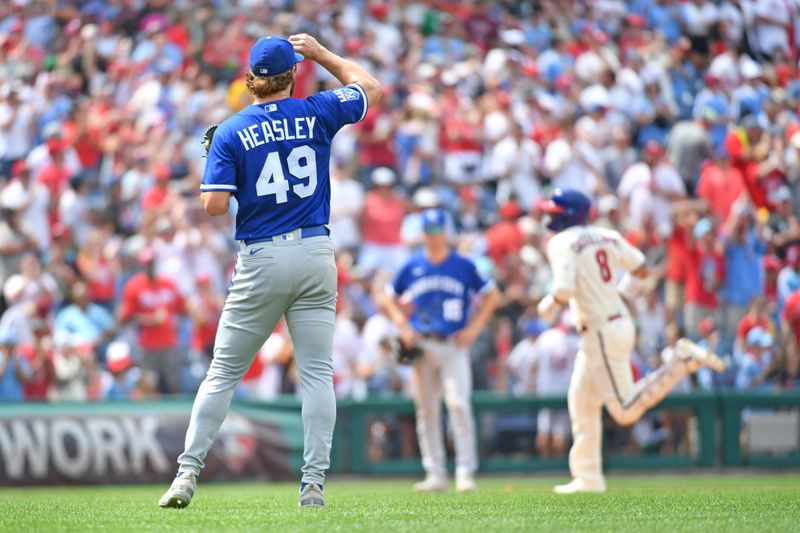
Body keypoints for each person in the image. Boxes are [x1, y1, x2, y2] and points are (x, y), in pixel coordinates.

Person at [159, 34, 382, 510]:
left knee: (222, 373)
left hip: (262, 256)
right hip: (316, 250)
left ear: (250, 78)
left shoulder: (231, 130)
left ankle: (187, 473)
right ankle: (313, 484)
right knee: (318, 374)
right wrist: (322, 54)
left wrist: (215, 159)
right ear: (292, 75)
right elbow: (371, 87)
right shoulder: (317, 109)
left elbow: (215, 206)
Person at [535, 188, 725, 494]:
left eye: (555, 211)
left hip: (599, 330)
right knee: (581, 400)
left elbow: (564, 288)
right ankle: (588, 477)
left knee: (625, 409)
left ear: (568, 214)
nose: (549, 216)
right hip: (616, 322)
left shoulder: (561, 241)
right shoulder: (606, 235)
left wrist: (550, 303)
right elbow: (642, 268)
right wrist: (622, 294)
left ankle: (680, 363)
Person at [382, 208, 500, 493]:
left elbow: (492, 296)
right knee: (427, 410)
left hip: (452, 344)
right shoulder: (413, 265)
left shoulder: (462, 264)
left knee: (458, 403)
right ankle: (435, 473)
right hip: (422, 343)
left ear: (445, 232)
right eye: (430, 231)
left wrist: (474, 328)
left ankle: (464, 472)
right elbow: (388, 296)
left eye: (438, 230)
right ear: (423, 234)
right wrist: (401, 323)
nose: (435, 236)